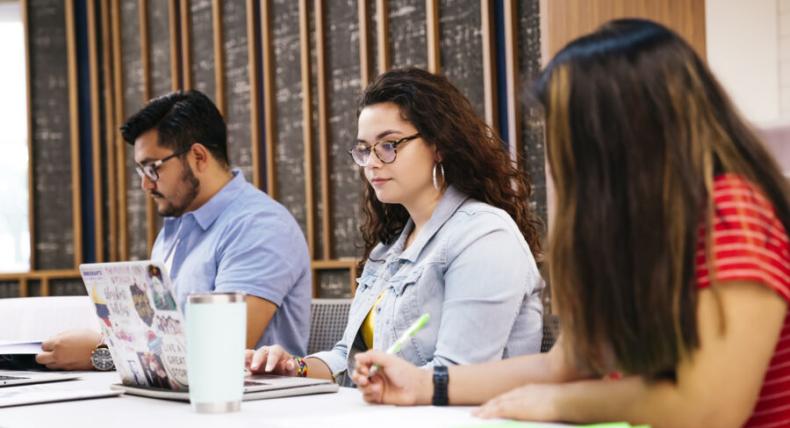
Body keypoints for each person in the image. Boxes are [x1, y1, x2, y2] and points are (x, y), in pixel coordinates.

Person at [352, 19, 790, 427]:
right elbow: (563, 364)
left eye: (566, 128)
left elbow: (711, 408)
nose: (558, 150)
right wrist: (422, 384)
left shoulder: (732, 211)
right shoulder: (635, 227)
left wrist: (563, 402)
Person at [247, 68, 545, 385]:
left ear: (438, 145)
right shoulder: (388, 249)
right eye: (364, 149)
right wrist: (295, 367)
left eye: (388, 145)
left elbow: (457, 375)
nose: (372, 162)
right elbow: (348, 358)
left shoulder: (484, 236)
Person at [36, 90, 312, 370]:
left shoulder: (259, 226)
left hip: (248, 405)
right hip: (175, 399)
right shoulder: (176, 225)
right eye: (141, 172)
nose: (146, 185)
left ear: (198, 157)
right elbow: (158, 333)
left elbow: (220, 350)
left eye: (152, 169)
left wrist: (101, 353)